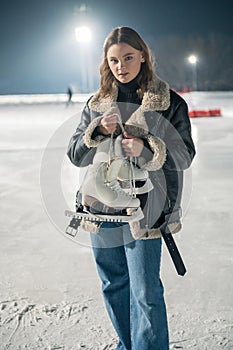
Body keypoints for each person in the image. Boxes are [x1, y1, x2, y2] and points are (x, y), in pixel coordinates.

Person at [67, 27, 196, 350]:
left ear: (143, 56)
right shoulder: (97, 105)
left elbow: (184, 155)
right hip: (101, 211)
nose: (121, 66)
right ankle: (128, 345)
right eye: (113, 60)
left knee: (146, 291)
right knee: (113, 285)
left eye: (127, 57)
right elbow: (75, 154)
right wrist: (96, 129)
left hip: (147, 210)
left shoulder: (168, 103)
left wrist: (147, 150)